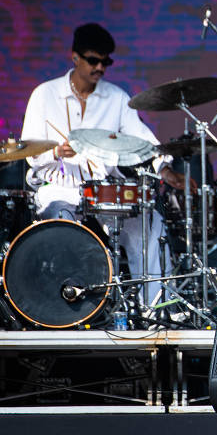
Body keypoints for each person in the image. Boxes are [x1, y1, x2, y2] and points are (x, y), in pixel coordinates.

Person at [21, 23, 186, 303]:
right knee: (61, 222)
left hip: (103, 189)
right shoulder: (44, 95)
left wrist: (165, 169)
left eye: (105, 62)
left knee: (147, 222)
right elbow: (28, 151)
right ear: (75, 57)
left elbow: (144, 142)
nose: (100, 68)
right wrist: (56, 153)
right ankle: (65, 307)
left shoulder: (117, 98)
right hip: (60, 186)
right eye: (93, 60)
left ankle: (156, 307)